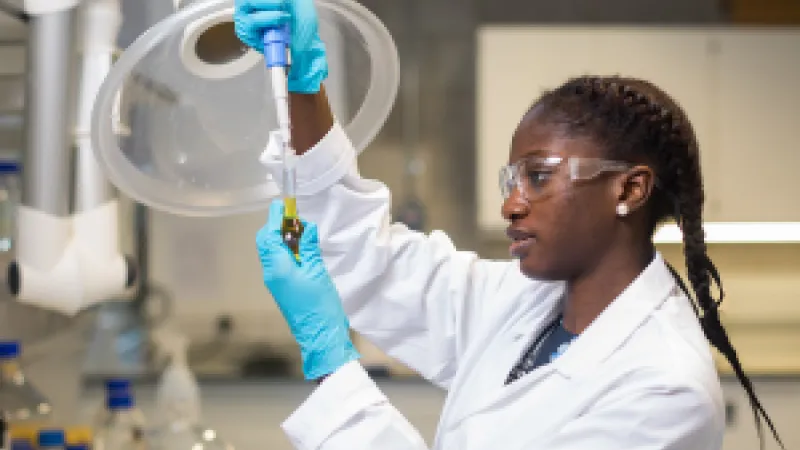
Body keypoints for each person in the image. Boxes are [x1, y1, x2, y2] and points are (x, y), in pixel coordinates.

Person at [236, 1, 785, 449]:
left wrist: (333, 367)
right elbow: (372, 262)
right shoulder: (531, 304)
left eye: (540, 177)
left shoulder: (664, 391)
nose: (511, 206)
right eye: (511, 182)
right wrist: (304, 85)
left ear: (629, 189)